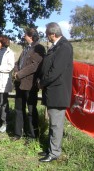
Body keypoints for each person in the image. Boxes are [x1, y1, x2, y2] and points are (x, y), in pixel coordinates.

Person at [37, 22, 73, 162]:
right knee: (53, 123)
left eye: (47, 35)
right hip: (52, 90)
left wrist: (42, 83)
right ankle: (51, 149)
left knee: (56, 124)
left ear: (53, 34)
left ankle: (55, 153)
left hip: (58, 91)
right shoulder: (56, 46)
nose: (47, 37)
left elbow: (55, 71)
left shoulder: (64, 47)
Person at [12, 28, 45, 142]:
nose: (23, 36)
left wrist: (19, 74)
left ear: (30, 36)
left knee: (31, 111)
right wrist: (16, 71)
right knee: (18, 109)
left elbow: (35, 66)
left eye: (25, 34)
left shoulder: (38, 48)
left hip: (30, 84)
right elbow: (18, 62)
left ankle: (32, 136)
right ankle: (17, 133)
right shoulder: (26, 48)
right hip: (20, 83)